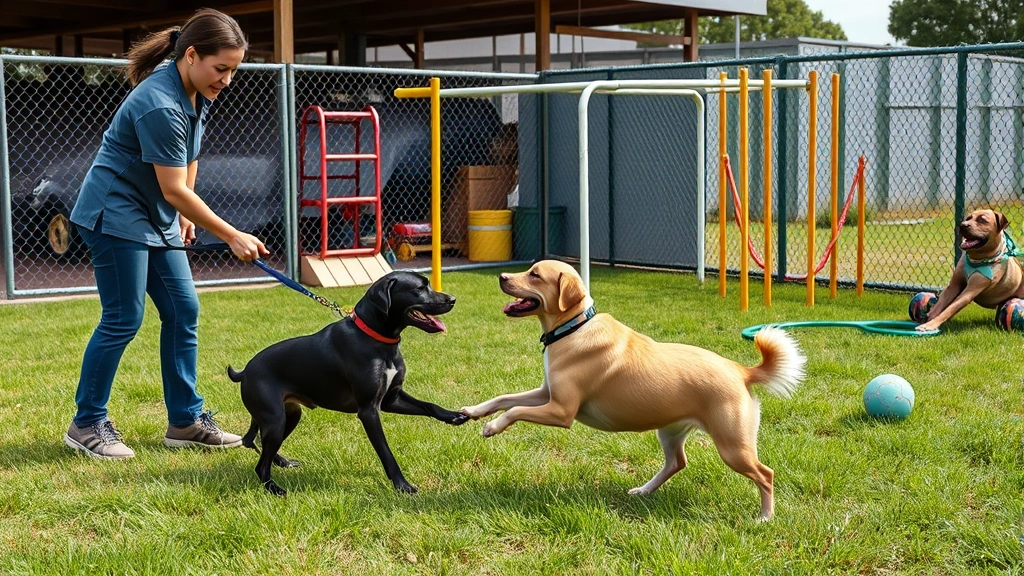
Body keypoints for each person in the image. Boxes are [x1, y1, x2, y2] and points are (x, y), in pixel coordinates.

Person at [64, 8, 269, 460]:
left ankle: (185, 421)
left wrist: (184, 214)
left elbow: (187, 159)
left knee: (183, 309)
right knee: (124, 317)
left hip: (153, 213)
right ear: (191, 55)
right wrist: (231, 234)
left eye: (233, 70)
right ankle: (87, 423)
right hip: (114, 212)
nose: (227, 80)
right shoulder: (159, 102)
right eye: (221, 68)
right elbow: (173, 187)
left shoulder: (195, 90)